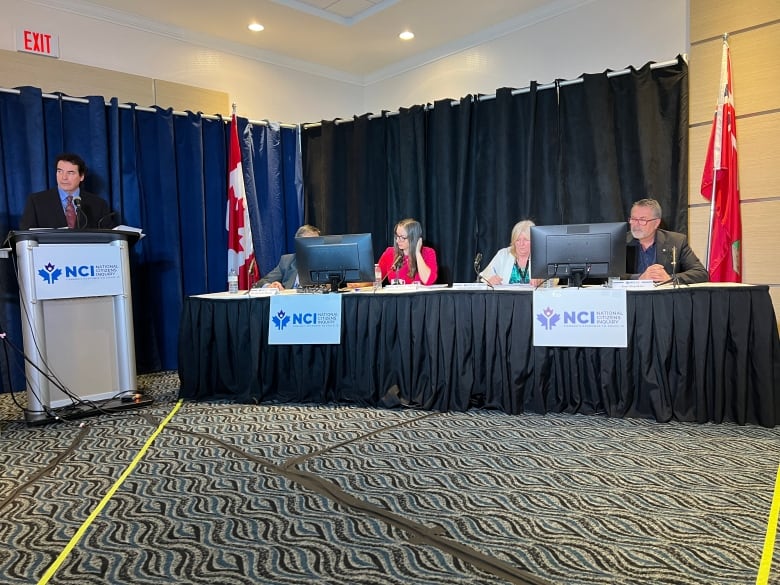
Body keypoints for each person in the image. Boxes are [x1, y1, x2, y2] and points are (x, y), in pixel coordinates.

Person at [19, 153, 116, 230]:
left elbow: (109, 239)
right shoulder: (37, 202)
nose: (64, 177)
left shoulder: (98, 204)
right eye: (60, 171)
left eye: (70, 173)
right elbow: (26, 236)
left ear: (81, 176)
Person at [625, 198, 709, 284]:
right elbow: (611, 276)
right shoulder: (619, 242)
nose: (636, 225)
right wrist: (638, 278)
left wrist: (670, 278)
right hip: (630, 296)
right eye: (633, 219)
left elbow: (701, 274)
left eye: (642, 220)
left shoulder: (676, 241)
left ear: (656, 223)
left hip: (664, 296)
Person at [479, 219, 548, 286]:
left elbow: (553, 279)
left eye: (526, 240)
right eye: (518, 240)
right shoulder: (503, 254)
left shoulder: (542, 256)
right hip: (506, 297)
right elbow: (484, 277)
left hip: (534, 297)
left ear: (534, 240)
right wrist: (490, 280)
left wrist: (542, 282)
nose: (521, 243)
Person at [255, 224, 320, 290]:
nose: (312, 246)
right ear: (298, 244)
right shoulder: (287, 261)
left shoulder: (325, 262)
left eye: (316, 242)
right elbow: (261, 283)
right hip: (291, 299)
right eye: (309, 242)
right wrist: (271, 286)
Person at [377, 218, 438, 285]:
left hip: (419, 295)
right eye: (397, 237)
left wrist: (417, 253)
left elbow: (428, 281)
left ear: (413, 238)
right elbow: (374, 279)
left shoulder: (428, 253)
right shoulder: (389, 252)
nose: (397, 241)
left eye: (402, 237)